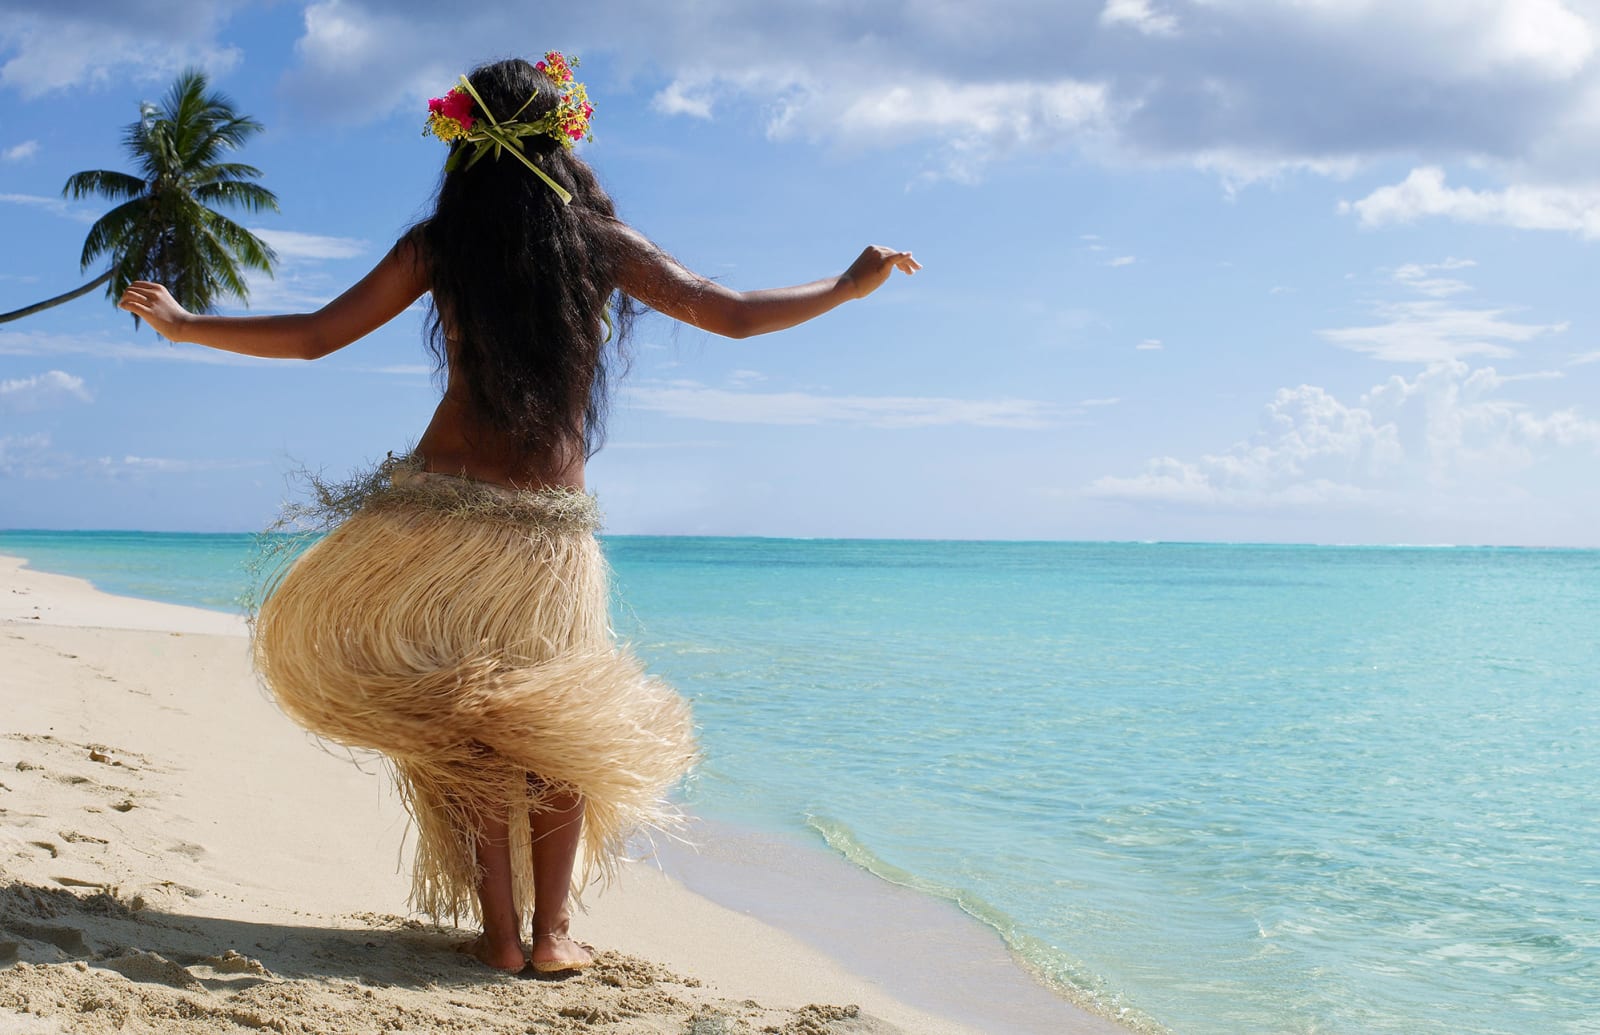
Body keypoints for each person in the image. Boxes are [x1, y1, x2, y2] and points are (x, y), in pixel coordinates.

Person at [117, 54, 918, 976]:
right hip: (542, 536)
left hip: (430, 519)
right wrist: (847, 287)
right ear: (561, 139)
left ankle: (501, 936)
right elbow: (731, 315)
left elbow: (311, 339)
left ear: (465, 144)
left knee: (459, 723)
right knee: (554, 725)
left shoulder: (440, 244)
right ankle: (550, 934)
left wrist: (186, 323)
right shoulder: (601, 245)